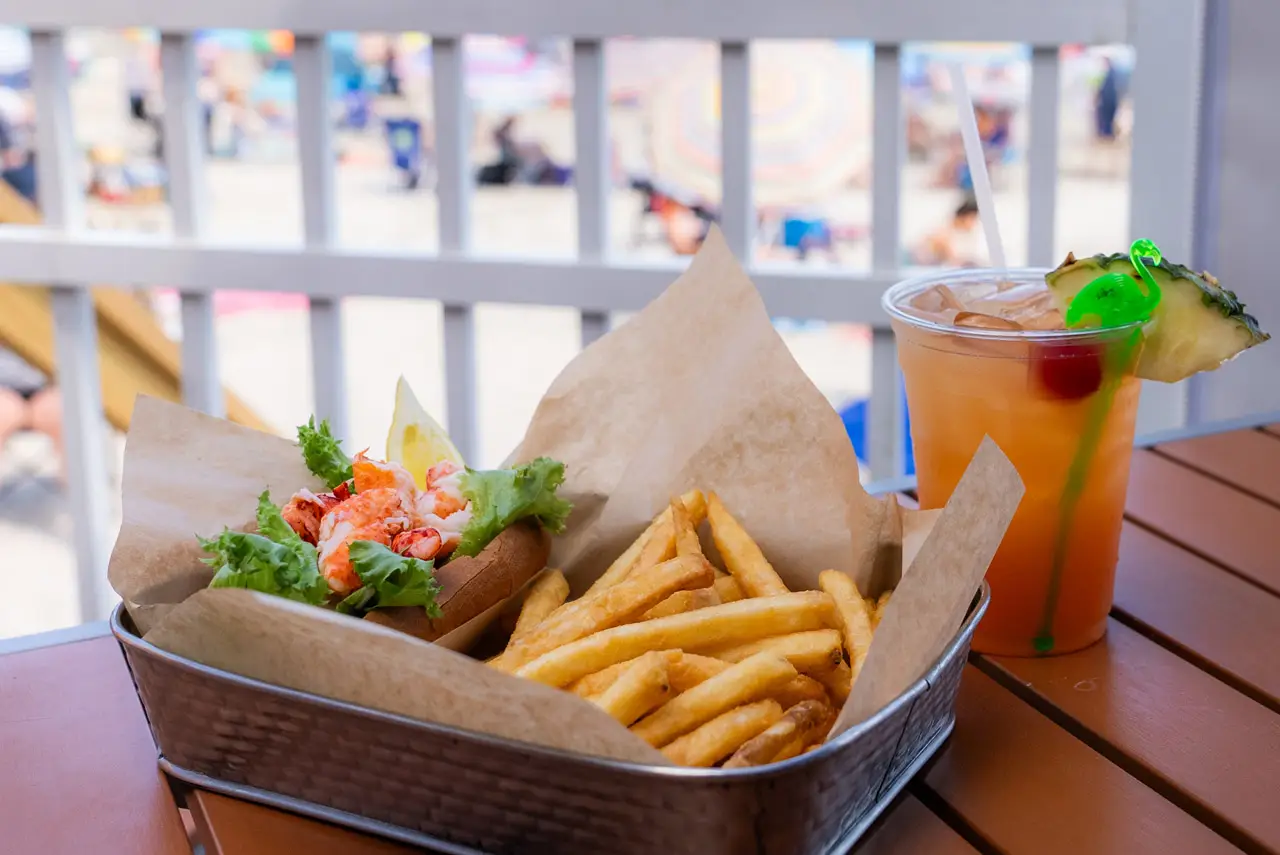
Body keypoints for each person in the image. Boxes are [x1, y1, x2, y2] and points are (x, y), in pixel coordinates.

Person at [0, 348, 61, 472]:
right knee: (4, 411)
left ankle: (83, 488)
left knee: (67, 413)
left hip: (44, 390)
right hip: (3, 391)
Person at [912, 198, 981, 267]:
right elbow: (951, 258)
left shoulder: (967, 234)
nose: (973, 223)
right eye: (972, 218)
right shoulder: (943, 229)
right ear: (963, 216)